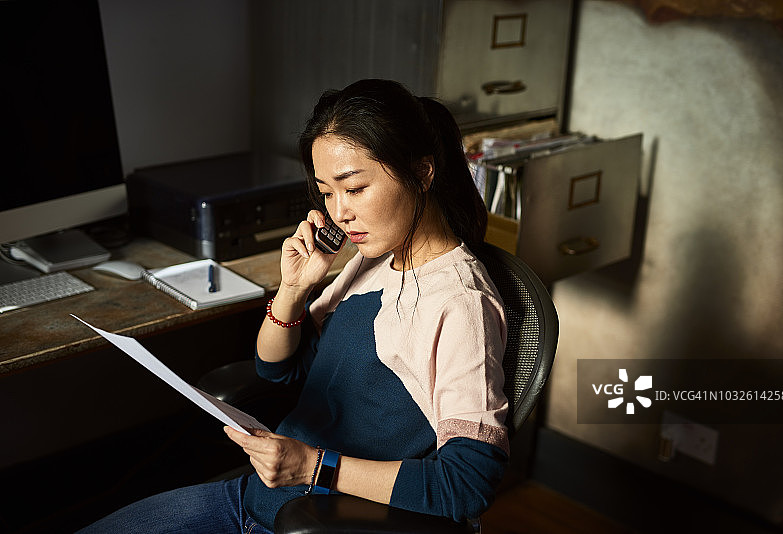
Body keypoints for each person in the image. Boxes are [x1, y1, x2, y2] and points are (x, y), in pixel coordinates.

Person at [79, 79, 509, 534]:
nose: (339, 212)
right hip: (260, 497)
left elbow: (466, 485)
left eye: (355, 188)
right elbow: (276, 369)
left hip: (317, 520)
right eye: (327, 192)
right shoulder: (374, 258)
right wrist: (293, 289)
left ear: (423, 173)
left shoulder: (461, 304)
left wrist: (312, 466)